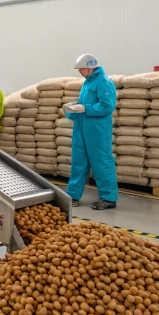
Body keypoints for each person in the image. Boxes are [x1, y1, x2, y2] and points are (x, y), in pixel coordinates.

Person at [64, 54, 118, 210]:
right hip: (82, 128)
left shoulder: (104, 82)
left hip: (97, 131)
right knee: (78, 162)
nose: (79, 71)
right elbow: (85, 104)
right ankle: (73, 195)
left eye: (81, 68)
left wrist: (86, 108)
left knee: (101, 162)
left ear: (90, 67)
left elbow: (107, 106)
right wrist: (74, 108)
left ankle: (108, 198)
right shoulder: (87, 83)